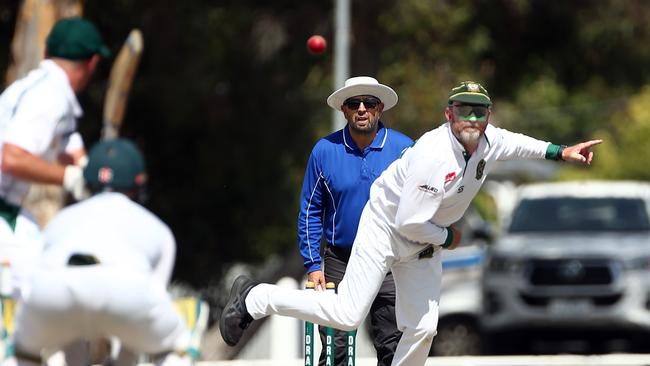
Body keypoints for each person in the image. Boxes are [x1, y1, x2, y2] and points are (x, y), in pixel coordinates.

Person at [220, 81, 603, 365]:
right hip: (387, 229)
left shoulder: (487, 140)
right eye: (463, 110)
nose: (472, 118)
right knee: (347, 316)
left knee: (422, 328)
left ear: (488, 116)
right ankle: (256, 297)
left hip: (423, 242)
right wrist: (450, 237)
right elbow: (409, 221)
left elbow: (518, 143)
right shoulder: (432, 155)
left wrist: (560, 151)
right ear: (448, 114)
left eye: (479, 111)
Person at [7, 138, 192, 366]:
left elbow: (36, 276)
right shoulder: (158, 229)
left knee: (24, 353)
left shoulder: (61, 220)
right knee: (179, 347)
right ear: (138, 184)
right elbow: (146, 304)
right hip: (127, 289)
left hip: (53, 290)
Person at [298, 76, 413, 365]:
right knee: (336, 348)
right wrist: (313, 265)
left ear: (380, 107)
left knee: (391, 344)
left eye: (369, 102)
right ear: (344, 110)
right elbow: (310, 210)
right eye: (354, 103)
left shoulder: (404, 149)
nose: (362, 108)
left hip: (389, 259)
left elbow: (420, 204)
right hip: (340, 259)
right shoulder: (324, 150)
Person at [0, 16, 111, 291]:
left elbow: (69, 149)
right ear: (92, 62)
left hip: (10, 212)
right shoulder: (50, 96)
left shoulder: (40, 88)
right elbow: (10, 158)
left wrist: (90, 170)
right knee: (49, 285)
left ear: (47, 52)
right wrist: (71, 177)